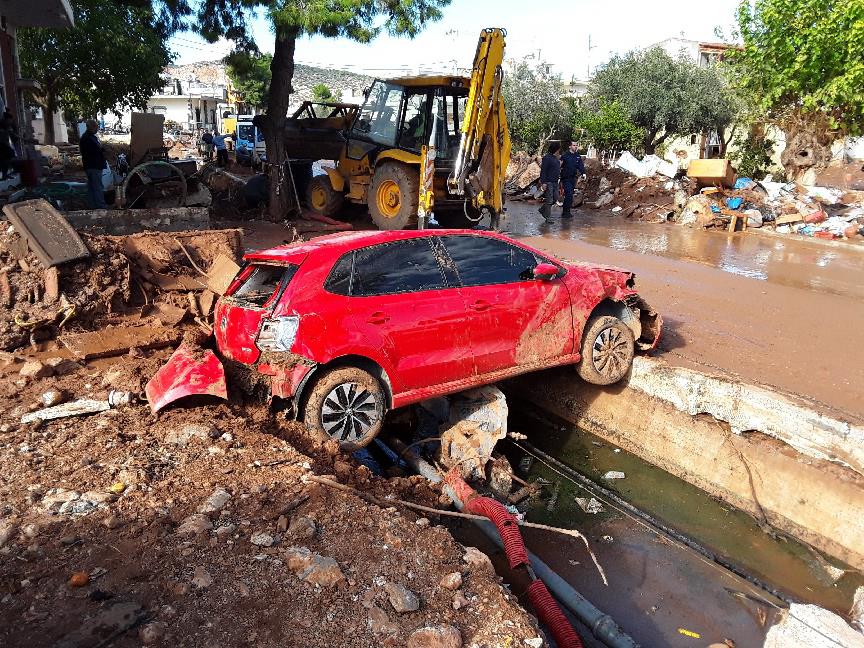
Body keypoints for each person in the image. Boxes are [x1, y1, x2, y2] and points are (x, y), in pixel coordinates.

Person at [79, 119, 108, 209]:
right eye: (95, 126)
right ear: (90, 127)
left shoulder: (89, 137)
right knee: (97, 187)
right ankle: (101, 206)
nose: (97, 128)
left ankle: (92, 205)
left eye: (97, 126)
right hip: (94, 166)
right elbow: (94, 152)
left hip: (91, 166)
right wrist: (102, 150)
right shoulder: (87, 138)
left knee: (92, 187)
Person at [559, 140, 586, 218]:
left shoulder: (577, 156)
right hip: (565, 178)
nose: (575, 146)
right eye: (574, 145)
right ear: (570, 146)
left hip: (573, 178)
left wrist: (583, 173)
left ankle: (566, 211)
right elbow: (559, 165)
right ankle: (565, 212)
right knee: (569, 194)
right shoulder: (565, 155)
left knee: (570, 195)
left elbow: (580, 166)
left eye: (576, 145)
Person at [538, 141, 561, 221]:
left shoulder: (555, 158)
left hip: (555, 182)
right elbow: (543, 171)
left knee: (555, 198)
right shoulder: (547, 158)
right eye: (559, 149)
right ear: (557, 149)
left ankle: (542, 209)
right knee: (549, 200)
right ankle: (547, 217)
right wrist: (543, 182)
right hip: (549, 182)